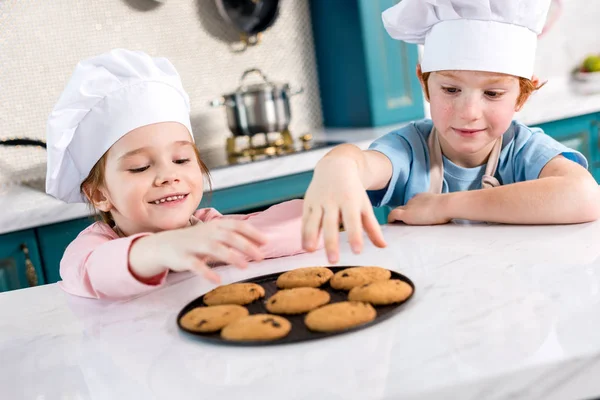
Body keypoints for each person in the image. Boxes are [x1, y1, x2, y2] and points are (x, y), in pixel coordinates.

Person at [301, 0, 600, 264]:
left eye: (493, 93)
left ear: (522, 96)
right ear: (424, 83)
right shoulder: (409, 150)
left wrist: (443, 206)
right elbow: (362, 165)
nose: (468, 112)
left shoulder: (523, 150)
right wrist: (338, 164)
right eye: (450, 89)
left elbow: (585, 195)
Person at [46, 49, 311, 299]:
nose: (168, 176)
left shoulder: (209, 231)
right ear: (99, 194)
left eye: (181, 159)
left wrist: (339, 169)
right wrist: (161, 249)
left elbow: (301, 229)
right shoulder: (93, 248)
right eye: (140, 166)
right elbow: (91, 272)